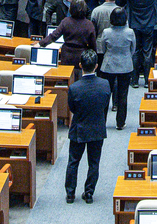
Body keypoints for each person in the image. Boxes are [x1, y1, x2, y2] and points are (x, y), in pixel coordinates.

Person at [64, 52, 110, 203]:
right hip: (97, 127)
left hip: (79, 128)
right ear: (96, 66)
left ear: (80, 66)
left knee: (73, 162)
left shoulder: (74, 88)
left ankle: (70, 194)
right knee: (94, 162)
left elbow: (72, 108)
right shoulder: (105, 84)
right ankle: (89, 193)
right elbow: (105, 105)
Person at [95, 7, 136, 129]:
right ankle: (120, 122)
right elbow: (132, 49)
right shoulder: (130, 32)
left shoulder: (106, 32)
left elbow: (103, 48)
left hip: (108, 66)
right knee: (123, 95)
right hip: (125, 66)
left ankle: (103, 121)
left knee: (105, 94)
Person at [41, 0, 96, 73]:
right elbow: (93, 45)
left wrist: (41, 44)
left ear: (71, 8)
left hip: (66, 55)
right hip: (81, 57)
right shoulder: (89, 24)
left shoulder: (66, 21)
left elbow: (53, 36)